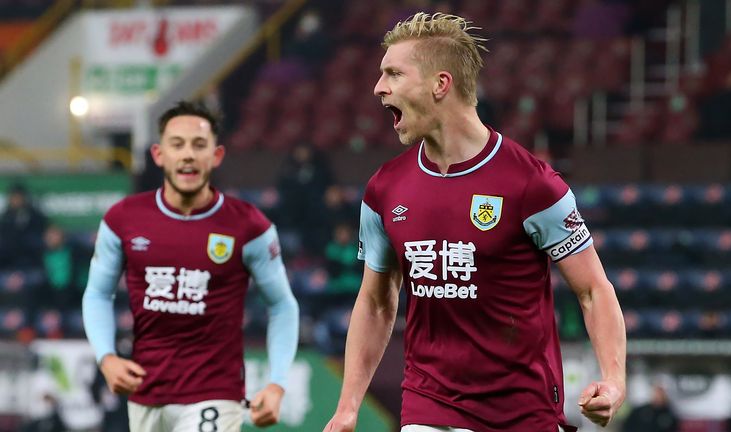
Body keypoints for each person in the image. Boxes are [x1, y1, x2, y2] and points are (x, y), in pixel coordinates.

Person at [323, 13, 626, 432]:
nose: (379, 87)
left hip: (522, 412)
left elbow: (593, 290)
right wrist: (347, 407)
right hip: (429, 406)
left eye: (393, 73)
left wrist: (613, 381)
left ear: (440, 84)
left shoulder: (532, 184)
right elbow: (376, 301)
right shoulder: (384, 189)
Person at [82, 101, 299, 431]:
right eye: (177, 144)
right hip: (145, 392)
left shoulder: (249, 225)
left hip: (214, 392)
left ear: (216, 156)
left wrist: (277, 382)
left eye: (199, 145)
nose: (188, 155)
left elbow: (282, 304)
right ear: (158, 154)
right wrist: (106, 357)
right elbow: (97, 294)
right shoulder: (122, 219)